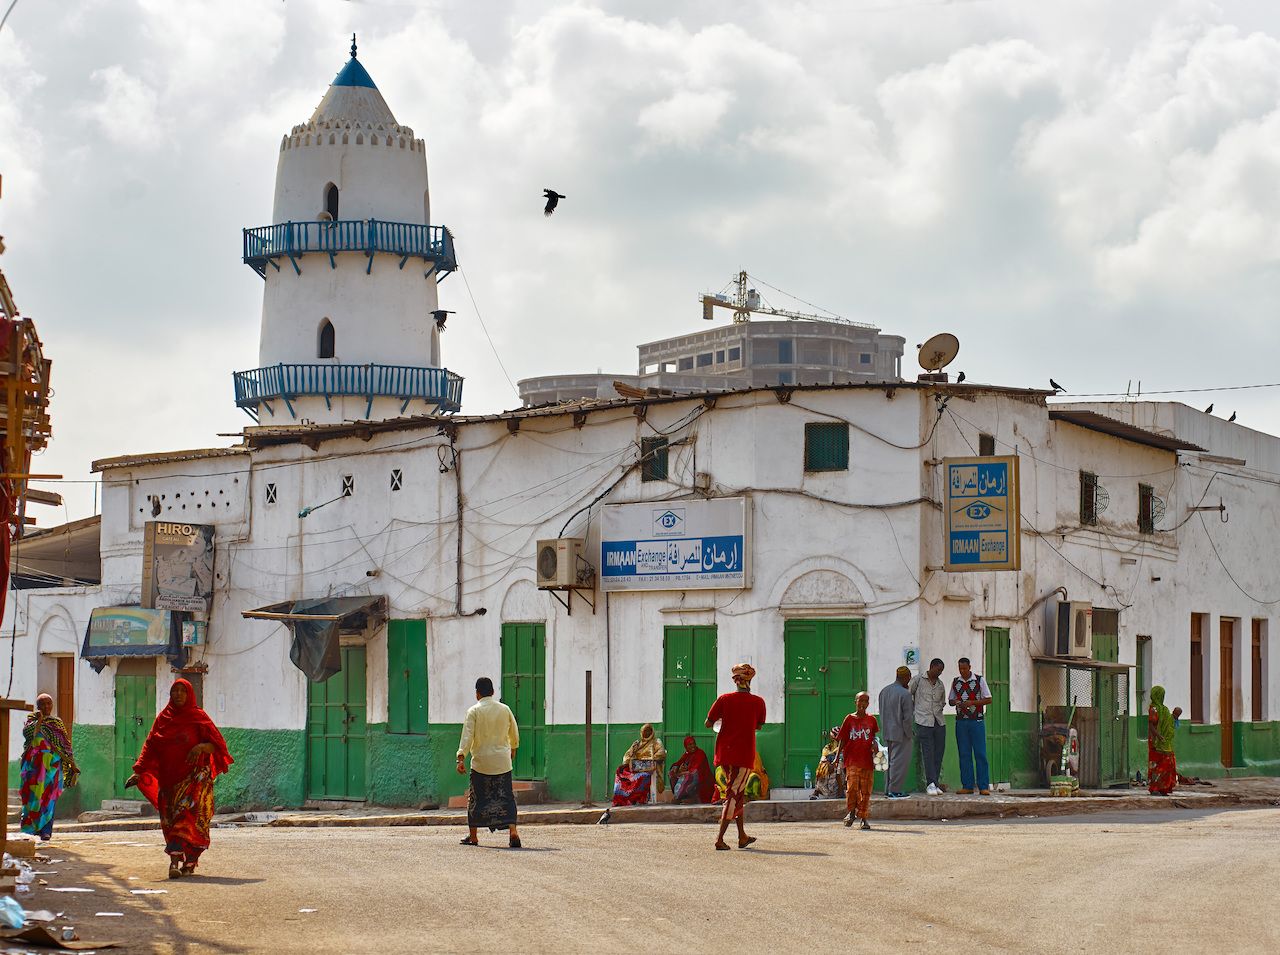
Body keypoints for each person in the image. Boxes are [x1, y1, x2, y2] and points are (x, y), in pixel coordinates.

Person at [125, 679, 233, 878]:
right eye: (175, 691)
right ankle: (181, 862)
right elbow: (150, 745)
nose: (179, 694)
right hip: (169, 781)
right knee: (171, 821)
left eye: (183, 691)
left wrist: (200, 747)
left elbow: (216, 745)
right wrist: (139, 771)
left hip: (195, 779)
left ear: (189, 694)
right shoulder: (163, 719)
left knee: (187, 820)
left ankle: (181, 863)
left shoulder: (198, 717)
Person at [705, 662, 766, 850]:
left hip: (725, 754)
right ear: (749, 680)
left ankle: (742, 836)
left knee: (737, 794)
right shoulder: (758, 702)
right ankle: (719, 838)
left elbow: (708, 723)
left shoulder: (723, 699)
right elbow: (758, 726)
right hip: (744, 755)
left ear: (735, 680)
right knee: (732, 794)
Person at [457, 676, 522, 848]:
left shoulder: (474, 711)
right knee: (506, 797)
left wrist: (461, 756)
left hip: (481, 764)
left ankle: (474, 836)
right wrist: (513, 748)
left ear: (477, 694)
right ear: (493, 692)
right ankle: (513, 831)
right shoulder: (505, 709)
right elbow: (514, 733)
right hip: (502, 762)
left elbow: (467, 736)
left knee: (476, 799)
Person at [19, 693, 79, 841]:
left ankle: (46, 831)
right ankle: (30, 829)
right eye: (43, 704)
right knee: (32, 798)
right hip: (33, 768)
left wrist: (72, 763)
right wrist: (39, 721)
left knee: (49, 799)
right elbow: (28, 735)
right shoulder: (31, 721)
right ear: (38, 706)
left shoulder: (57, 723)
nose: (46, 707)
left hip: (52, 768)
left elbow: (65, 745)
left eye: (49, 704)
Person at [948, 657, 993, 795]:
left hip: (977, 722)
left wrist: (972, 703)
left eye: (964, 668)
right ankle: (967, 785)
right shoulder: (956, 682)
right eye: (960, 668)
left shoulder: (979, 680)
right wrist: (956, 701)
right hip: (961, 722)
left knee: (980, 754)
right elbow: (950, 700)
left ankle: (983, 786)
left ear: (970, 667)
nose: (962, 671)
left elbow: (988, 699)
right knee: (964, 754)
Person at [836, 692, 879, 830]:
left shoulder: (872, 720)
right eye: (860, 701)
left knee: (865, 791)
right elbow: (842, 739)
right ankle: (851, 812)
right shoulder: (849, 719)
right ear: (855, 701)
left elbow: (873, 738)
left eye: (866, 701)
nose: (863, 704)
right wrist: (837, 757)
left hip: (867, 761)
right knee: (852, 788)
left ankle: (864, 818)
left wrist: (875, 746)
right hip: (852, 760)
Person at [910, 658, 947, 795]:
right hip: (923, 722)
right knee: (928, 753)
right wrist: (914, 712)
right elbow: (908, 695)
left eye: (941, 671)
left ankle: (935, 783)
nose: (940, 673)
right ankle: (930, 783)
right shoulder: (918, 680)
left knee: (938, 753)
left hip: (939, 722)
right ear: (931, 667)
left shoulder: (940, 684)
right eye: (938, 670)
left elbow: (942, 702)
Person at [878, 666, 914, 799]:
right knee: (899, 763)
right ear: (905, 677)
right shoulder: (905, 694)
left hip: (886, 732)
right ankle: (895, 790)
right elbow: (908, 718)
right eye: (909, 677)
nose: (909, 680)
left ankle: (888, 789)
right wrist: (909, 734)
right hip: (900, 733)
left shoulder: (884, 691)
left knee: (888, 762)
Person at [612, 723, 667, 806]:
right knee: (620, 771)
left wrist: (648, 760)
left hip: (648, 768)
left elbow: (661, 753)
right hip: (636, 767)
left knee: (641, 777)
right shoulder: (637, 744)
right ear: (642, 732)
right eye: (645, 731)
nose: (647, 733)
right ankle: (622, 798)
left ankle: (636, 798)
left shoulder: (656, 742)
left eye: (649, 731)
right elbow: (626, 757)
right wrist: (632, 752)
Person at [1147, 685, 1181, 796]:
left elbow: (1169, 722)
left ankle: (1164, 788)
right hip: (1155, 743)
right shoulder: (1153, 709)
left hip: (1165, 743)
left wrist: (1175, 716)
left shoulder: (1164, 709)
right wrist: (1158, 736)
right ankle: (1155, 788)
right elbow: (1151, 725)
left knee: (1168, 763)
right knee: (1156, 765)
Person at [669, 735, 715, 804]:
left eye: (693, 743)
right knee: (672, 772)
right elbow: (678, 764)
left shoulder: (700, 753)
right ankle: (681, 797)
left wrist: (681, 773)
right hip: (688, 775)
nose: (692, 746)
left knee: (690, 776)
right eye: (690, 744)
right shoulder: (687, 754)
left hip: (702, 781)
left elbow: (695, 770)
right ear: (686, 746)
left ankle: (691, 798)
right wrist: (678, 769)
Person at [811, 726, 844, 800]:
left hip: (840, 768)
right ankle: (817, 791)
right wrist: (828, 763)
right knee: (822, 767)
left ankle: (841, 790)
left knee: (838, 767)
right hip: (830, 766)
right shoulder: (829, 746)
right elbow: (824, 756)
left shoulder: (844, 746)